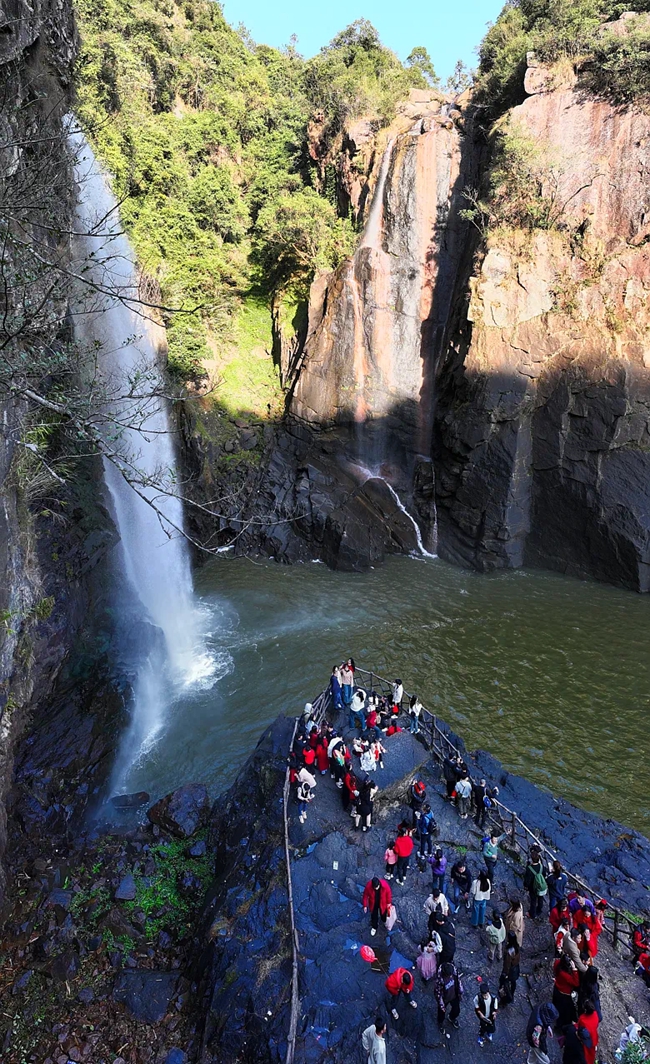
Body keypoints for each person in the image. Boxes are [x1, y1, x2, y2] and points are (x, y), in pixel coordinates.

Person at [434, 961, 463, 1029]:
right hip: (444, 999)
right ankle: (440, 1023)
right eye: (449, 975)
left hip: (454, 995)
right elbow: (438, 993)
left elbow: (458, 981)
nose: (451, 976)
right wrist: (441, 1005)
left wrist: (460, 991)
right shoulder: (440, 980)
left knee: (456, 1010)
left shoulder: (453, 970)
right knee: (441, 1014)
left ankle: (451, 1018)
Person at [553, 954, 580, 1027]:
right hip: (564, 994)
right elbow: (576, 983)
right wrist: (574, 969)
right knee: (565, 1012)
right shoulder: (564, 975)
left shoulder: (557, 963)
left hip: (557, 988)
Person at [525, 846, 549, 920]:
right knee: (540, 898)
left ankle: (532, 914)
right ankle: (539, 910)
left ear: (532, 860)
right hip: (540, 886)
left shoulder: (529, 868)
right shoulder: (541, 866)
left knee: (533, 901)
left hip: (533, 888)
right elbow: (544, 874)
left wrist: (526, 886)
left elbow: (527, 880)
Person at [500, 931, 520, 1004]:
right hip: (516, 967)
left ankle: (507, 997)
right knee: (513, 982)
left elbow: (507, 964)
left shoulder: (509, 951)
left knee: (505, 982)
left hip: (511, 969)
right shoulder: (516, 946)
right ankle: (512, 993)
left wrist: (505, 973)